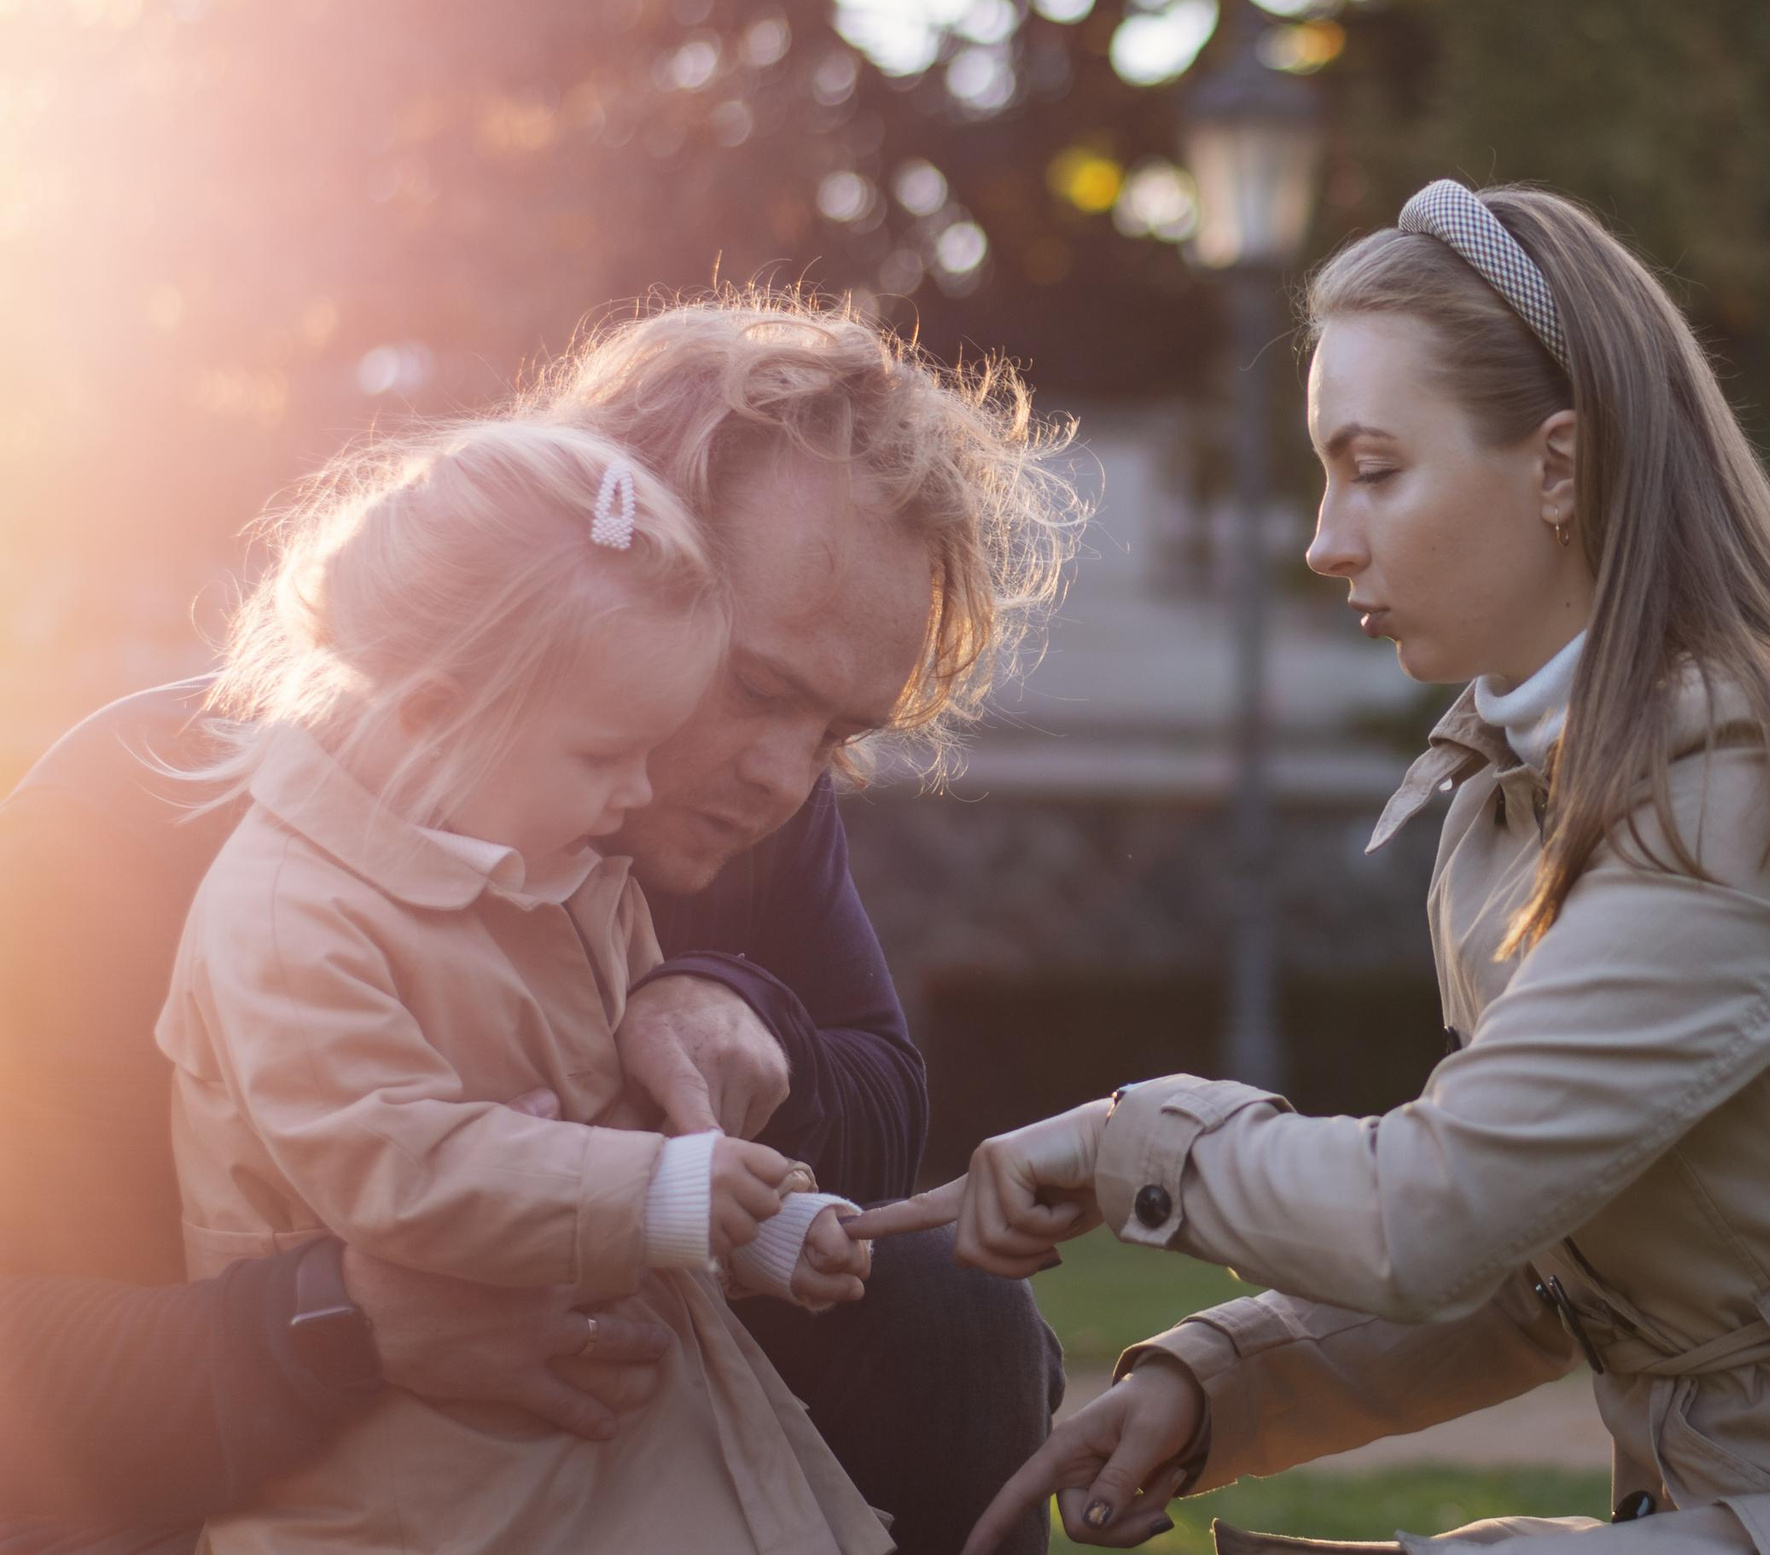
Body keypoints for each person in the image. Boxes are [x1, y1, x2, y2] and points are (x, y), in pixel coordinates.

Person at [858, 183, 1770, 1555]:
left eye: (1375, 467)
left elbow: (1432, 1211)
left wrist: (1129, 1142)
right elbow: (1543, 1264)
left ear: (1560, 468)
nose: (1326, 535)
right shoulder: (1503, 805)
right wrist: (1214, 1385)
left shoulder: (1757, 774)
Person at [0, 299, 1081, 1555]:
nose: (787, 779)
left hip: (608, 1466)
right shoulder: (130, 815)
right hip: (221, 1489)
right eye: (755, 687)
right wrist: (338, 1326)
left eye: (838, 736)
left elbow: (884, 1100)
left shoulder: (743, 807)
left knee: (954, 1308)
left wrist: (745, 1010)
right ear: (600, 559)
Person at [163, 422, 887, 1553]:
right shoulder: (288, 916)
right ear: (432, 714)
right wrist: (663, 1194)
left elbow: (622, 1120)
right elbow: (397, 1165)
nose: (636, 788)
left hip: (585, 1460)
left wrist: (758, 1222)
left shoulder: (561, 871)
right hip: (395, 1489)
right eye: (604, 757)